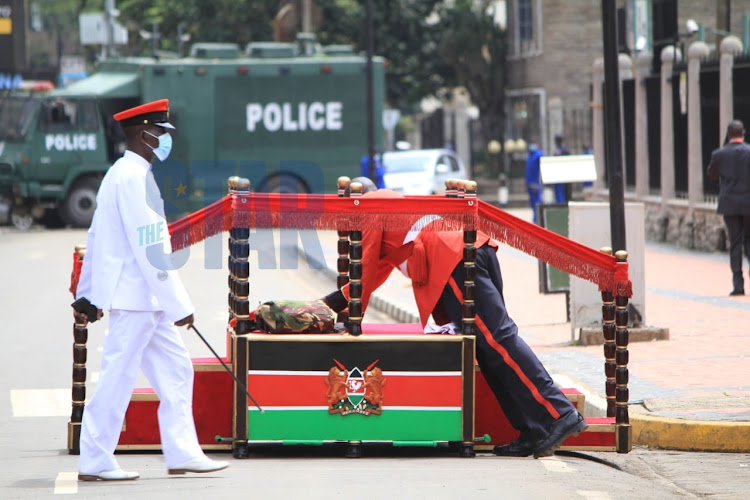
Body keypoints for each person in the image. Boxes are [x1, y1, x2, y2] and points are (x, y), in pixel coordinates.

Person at [321, 177, 588, 458]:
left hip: (452, 260)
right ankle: (533, 429)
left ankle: (559, 414)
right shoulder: (394, 201)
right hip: (472, 251)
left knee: (497, 340)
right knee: (486, 348)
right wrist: (335, 302)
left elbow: (364, 271)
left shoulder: (367, 206)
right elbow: (379, 269)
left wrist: (330, 309)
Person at [72, 99, 229, 481]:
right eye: (160, 134)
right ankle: (94, 459)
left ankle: (182, 452)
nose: (164, 140)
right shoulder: (132, 178)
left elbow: (98, 238)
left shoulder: (125, 174)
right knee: (118, 377)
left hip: (146, 300)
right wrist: (180, 306)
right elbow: (151, 250)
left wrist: (89, 292)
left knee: (177, 371)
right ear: (144, 135)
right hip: (137, 299)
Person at [707, 120, 750, 296]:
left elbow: (712, 174)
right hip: (748, 202)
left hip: (730, 204)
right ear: (743, 133)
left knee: (735, 243)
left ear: (728, 134)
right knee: (749, 239)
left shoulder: (720, 154)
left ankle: (738, 285)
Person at [524, 142, 544, 224]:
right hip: (529, 183)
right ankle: (535, 219)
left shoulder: (538, 154)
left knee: (537, 202)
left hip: (535, 184)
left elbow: (542, 167)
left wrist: (538, 182)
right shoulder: (530, 155)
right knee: (532, 203)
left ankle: (537, 220)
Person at [553, 134, 571, 203]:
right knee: (559, 192)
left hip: (562, 175)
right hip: (559, 174)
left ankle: (561, 204)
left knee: (561, 193)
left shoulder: (562, 150)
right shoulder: (561, 150)